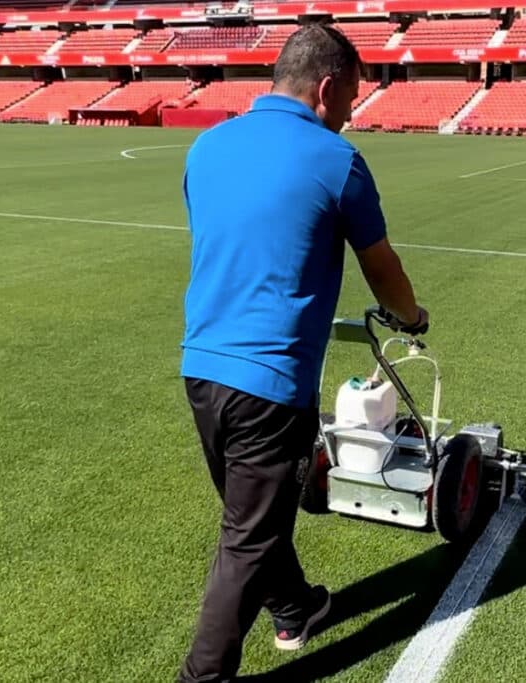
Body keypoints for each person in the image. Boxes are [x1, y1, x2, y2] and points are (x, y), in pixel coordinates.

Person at [176, 23, 429, 683]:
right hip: (270, 379)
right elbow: (382, 268)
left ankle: (295, 607)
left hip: (201, 367)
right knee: (248, 535)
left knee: (251, 513)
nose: (349, 114)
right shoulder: (336, 161)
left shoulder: (206, 147)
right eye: (349, 99)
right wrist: (412, 316)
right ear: (325, 88)